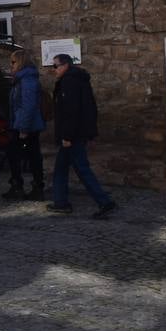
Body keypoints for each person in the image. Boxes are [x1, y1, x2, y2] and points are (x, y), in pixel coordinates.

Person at [46, 54, 116, 219]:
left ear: (65, 66)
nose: (53, 70)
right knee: (62, 169)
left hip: (73, 135)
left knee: (82, 169)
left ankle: (104, 201)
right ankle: (61, 202)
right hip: (77, 133)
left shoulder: (69, 82)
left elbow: (71, 112)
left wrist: (67, 136)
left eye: (55, 66)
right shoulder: (78, 80)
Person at [3, 48, 46, 201]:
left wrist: (23, 128)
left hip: (26, 126)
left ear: (20, 62)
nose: (11, 65)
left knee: (27, 156)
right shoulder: (22, 79)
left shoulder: (27, 80)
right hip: (21, 124)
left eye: (13, 62)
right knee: (23, 155)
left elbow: (28, 105)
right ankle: (22, 185)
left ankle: (31, 187)